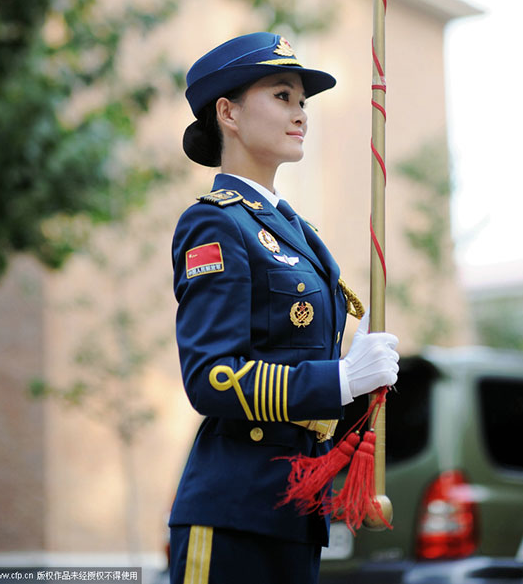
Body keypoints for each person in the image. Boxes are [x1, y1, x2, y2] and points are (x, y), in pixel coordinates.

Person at [168, 32, 401, 584]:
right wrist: (340, 378)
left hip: (297, 515)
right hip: (233, 516)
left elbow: (305, 371)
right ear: (227, 111)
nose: (300, 114)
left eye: (302, 101)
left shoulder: (297, 233)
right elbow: (211, 378)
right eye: (281, 95)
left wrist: (361, 371)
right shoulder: (217, 222)